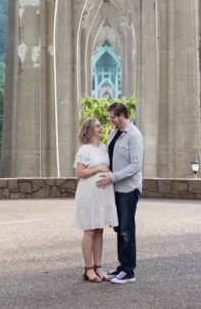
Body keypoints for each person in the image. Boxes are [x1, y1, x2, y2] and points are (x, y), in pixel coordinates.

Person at [96, 100, 143, 284]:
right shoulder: (114, 132)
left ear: (122, 116)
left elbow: (135, 166)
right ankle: (122, 267)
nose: (110, 121)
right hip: (116, 188)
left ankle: (129, 271)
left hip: (128, 188)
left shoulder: (134, 136)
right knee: (119, 228)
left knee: (126, 229)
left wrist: (112, 177)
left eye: (112, 117)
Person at [73, 116, 118, 282]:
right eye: (98, 126)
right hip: (89, 194)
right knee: (90, 230)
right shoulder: (84, 150)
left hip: (104, 194)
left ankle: (99, 266)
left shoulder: (105, 148)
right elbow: (80, 173)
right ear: (91, 130)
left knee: (99, 229)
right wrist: (98, 168)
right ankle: (88, 268)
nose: (101, 128)